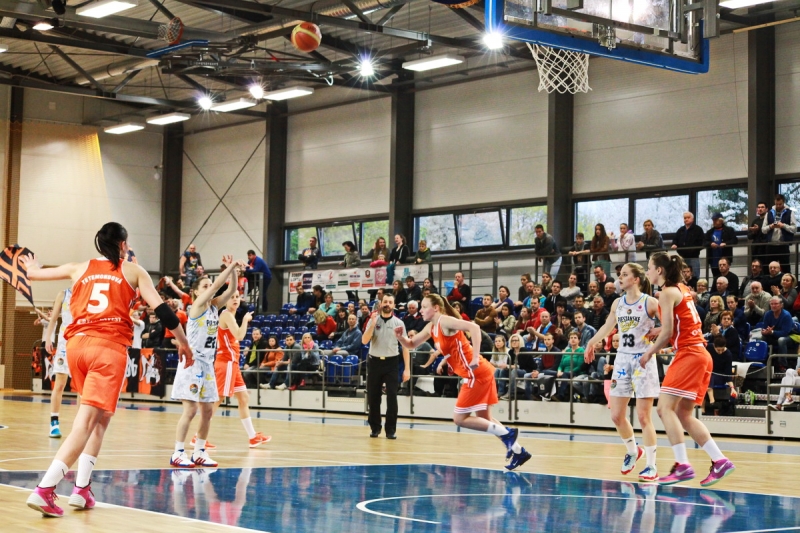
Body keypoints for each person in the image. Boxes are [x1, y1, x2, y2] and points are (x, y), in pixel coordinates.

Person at [22, 222, 191, 517]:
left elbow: (34, 275)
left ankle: (82, 489)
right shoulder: (133, 271)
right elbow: (164, 311)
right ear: (123, 244)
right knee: (87, 422)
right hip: (107, 349)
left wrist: (32, 267)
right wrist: (183, 342)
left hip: (76, 348)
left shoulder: (80, 267)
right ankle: (45, 489)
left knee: (100, 419)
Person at [394, 294, 531, 470]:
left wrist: (475, 357)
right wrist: (401, 338)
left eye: (424, 307)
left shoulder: (445, 321)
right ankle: (519, 451)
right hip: (479, 372)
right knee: (485, 419)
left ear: (435, 308)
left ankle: (507, 433)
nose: (421, 310)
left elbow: (474, 327)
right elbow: (412, 344)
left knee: (459, 418)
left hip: (476, 373)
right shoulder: (431, 327)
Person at [640, 252, 735, 486]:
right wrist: (660, 332)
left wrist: (650, 352)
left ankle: (682, 465)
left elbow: (668, 332)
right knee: (683, 414)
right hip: (701, 354)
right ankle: (720, 460)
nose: (647, 271)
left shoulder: (666, 293)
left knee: (664, 408)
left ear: (659, 270)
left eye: (649, 267)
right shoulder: (681, 288)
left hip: (689, 354)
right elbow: (678, 324)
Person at [585, 262, 661, 482]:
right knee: (616, 415)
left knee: (643, 416)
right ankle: (633, 451)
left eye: (625, 274)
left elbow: (671, 324)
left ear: (636, 279)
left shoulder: (650, 302)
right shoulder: (617, 303)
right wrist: (591, 342)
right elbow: (607, 327)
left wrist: (658, 330)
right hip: (622, 360)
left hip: (643, 360)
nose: (620, 277)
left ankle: (651, 466)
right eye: (620, 274)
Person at [172, 257, 242, 468]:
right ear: (195, 292)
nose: (210, 287)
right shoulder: (197, 306)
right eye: (205, 285)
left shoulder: (213, 306)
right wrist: (231, 267)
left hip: (207, 365)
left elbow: (231, 290)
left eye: (209, 284)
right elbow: (218, 286)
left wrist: (232, 270)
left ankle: (199, 452)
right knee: (190, 410)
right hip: (192, 363)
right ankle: (177, 452)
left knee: (208, 411)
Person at [214, 289, 271, 448]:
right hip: (226, 363)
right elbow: (239, 335)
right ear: (225, 300)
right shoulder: (226, 315)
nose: (235, 299)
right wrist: (246, 320)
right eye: (231, 297)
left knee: (244, 398)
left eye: (237, 297)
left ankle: (252, 437)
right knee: (217, 400)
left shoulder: (231, 316)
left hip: (233, 364)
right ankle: (198, 437)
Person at [363, 294, 410, 439]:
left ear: (394, 305)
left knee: (392, 397)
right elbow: (364, 341)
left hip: (391, 363)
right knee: (373, 397)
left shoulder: (399, 323)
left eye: (390, 302)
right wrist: (372, 324)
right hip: (374, 362)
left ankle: (390, 430)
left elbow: (405, 347)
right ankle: (375, 428)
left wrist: (407, 369)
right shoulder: (373, 320)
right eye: (385, 302)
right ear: (381, 304)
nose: (387, 304)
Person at [42, 287, 73, 438]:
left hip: (81, 342)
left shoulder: (88, 291)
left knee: (82, 388)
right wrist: (48, 338)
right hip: (64, 344)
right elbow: (53, 319)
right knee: (60, 384)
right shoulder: (63, 294)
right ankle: (54, 423)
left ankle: (80, 426)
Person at [762, 193, 797, 273]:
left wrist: (783, 226)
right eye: (776, 204)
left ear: (783, 202)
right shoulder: (769, 213)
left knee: (786, 269)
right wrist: (770, 226)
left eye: (780, 204)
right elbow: (763, 230)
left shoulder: (790, 212)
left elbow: (794, 229)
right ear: (774, 202)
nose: (778, 206)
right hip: (771, 245)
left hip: (783, 245)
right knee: (769, 269)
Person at [671, 212, 705, 279]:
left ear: (693, 219)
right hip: (682, 257)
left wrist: (693, 250)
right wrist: (674, 244)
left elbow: (702, 242)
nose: (686, 219)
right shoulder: (681, 230)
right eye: (685, 218)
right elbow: (675, 239)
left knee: (694, 275)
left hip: (693, 257)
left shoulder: (698, 229)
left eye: (688, 218)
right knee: (682, 276)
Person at [704, 213, 738, 279]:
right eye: (713, 220)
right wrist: (710, 244)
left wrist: (726, 244)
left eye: (716, 220)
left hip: (725, 258)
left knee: (725, 277)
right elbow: (704, 242)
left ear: (721, 221)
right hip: (713, 259)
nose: (714, 222)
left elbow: (735, 240)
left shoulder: (729, 230)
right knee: (715, 277)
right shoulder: (710, 232)